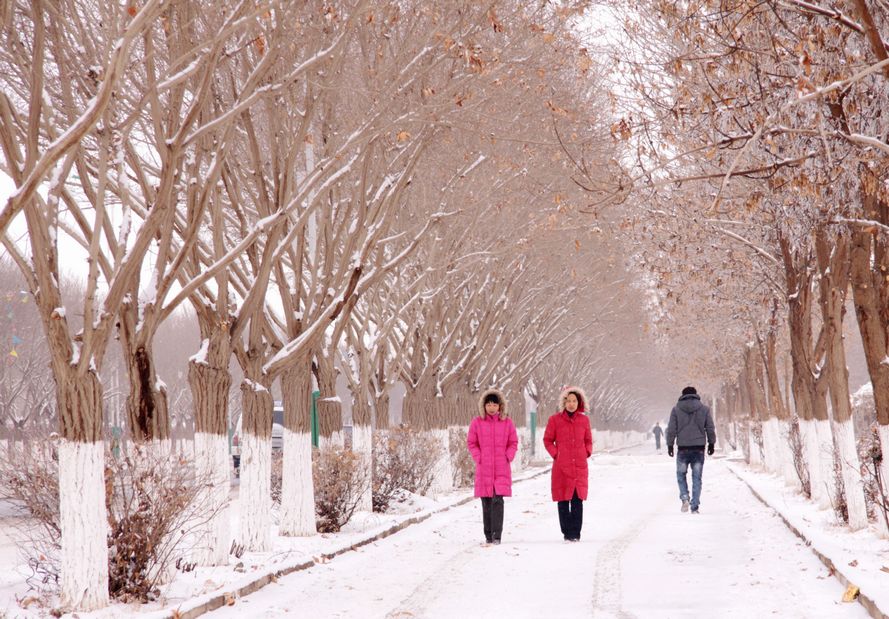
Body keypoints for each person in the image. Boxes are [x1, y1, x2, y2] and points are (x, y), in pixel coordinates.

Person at [467, 388, 518, 545]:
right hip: (484, 468)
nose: (491, 407)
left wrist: (508, 456)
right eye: (488, 404)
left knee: (498, 501)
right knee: (486, 503)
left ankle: (497, 535)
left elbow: (513, 442)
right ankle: (488, 534)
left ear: (500, 406)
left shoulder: (507, 423)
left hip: (501, 468)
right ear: (484, 406)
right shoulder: (477, 422)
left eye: (494, 404)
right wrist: (478, 457)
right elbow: (471, 442)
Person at [543, 386, 593, 542]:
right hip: (561, 466)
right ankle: (566, 532)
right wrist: (556, 454)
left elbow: (588, 440)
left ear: (579, 402)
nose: (571, 404)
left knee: (577, 500)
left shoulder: (584, 420)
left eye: (574, 401)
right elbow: (547, 440)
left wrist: (586, 452)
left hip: (579, 465)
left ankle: (576, 533)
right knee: (563, 500)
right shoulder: (555, 420)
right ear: (563, 402)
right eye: (568, 401)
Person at [666, 386, 716, 514]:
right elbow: (710, 428)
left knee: (681, 475)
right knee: (697, 478)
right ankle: (695, 507)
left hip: (683, 448)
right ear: (696, 395)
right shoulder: (704, 409)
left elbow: (672, 429)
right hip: (699, 448)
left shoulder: (676, 410)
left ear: (682, 396)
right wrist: (711, 443)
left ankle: (684, 498)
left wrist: (670, 445)